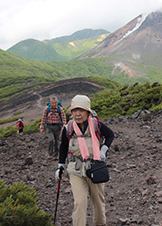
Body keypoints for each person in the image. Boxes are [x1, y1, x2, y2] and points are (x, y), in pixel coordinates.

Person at [55, 95, 114, 226]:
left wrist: (104, 149)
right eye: (74, 110)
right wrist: (60, 166)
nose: (77, 114)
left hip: (95, 167)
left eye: (81, 110)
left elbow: (110, 135)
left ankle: (100, 223)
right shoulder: (68, 128)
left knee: (98, 201)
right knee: (80, 202)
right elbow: (63, 148)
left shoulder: (97, 124)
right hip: (76, 170)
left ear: (88, 112)